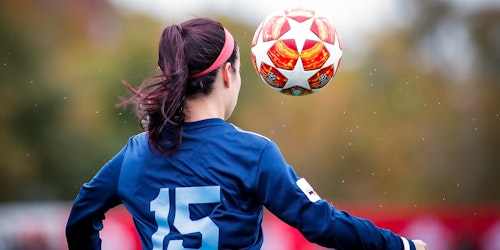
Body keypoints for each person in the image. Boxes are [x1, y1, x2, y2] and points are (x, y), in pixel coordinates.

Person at [65, 17, 428, 250]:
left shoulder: (136, 153)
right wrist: (400, 246)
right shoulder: (252, 153)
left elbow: (81, 218)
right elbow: (321, 223)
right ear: (227, 74)